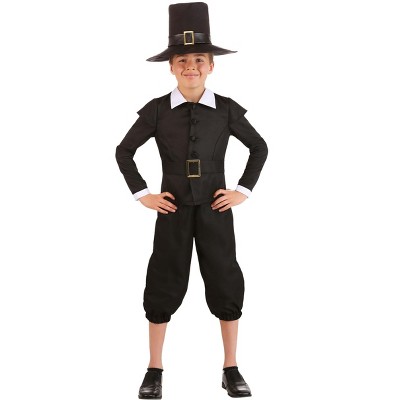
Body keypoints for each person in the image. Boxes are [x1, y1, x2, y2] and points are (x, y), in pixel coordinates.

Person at [115, 2, 268, 398]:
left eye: (199, 59)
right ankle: (154, 369)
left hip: (217, 209)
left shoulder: (227, 110)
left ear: (211, 66)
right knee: (163, 280)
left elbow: (259, 147)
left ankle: (231, 367)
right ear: (171, 67)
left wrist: (242, 191)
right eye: (182, 60)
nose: (191, 67)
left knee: (224, 280)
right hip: (173, 209)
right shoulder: (157, 111)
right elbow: (123, 151)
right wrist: (143, 195)